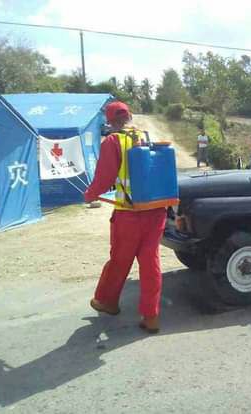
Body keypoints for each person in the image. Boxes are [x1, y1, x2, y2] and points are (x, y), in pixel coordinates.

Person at [84, 101, 167, 334]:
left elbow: (104, 177)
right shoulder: (148, 135)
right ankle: (151, 317)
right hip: (156, 210)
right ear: (129, 116)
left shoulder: (113, 141)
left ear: (109, 121)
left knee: (119, 260)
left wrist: (89, 194)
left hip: (129, 215)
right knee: (151, 262)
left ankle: (107, 302)